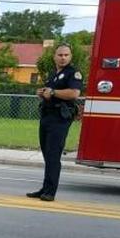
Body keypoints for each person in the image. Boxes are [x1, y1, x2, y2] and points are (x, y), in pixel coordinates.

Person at [28, 45, 83, 202]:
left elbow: (74, 93)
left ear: (70, 56)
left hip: (60, 118)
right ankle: (45, 188)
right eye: (60, 55)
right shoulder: (53, 74)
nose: (63, 57)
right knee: (47, 153)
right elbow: (50, 92)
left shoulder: (73, 73)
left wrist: (53, 92)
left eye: (66, 55)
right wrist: (43, 93)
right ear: (54, 56)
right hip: (47, 115)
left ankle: (50, 192)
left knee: (53, 154)